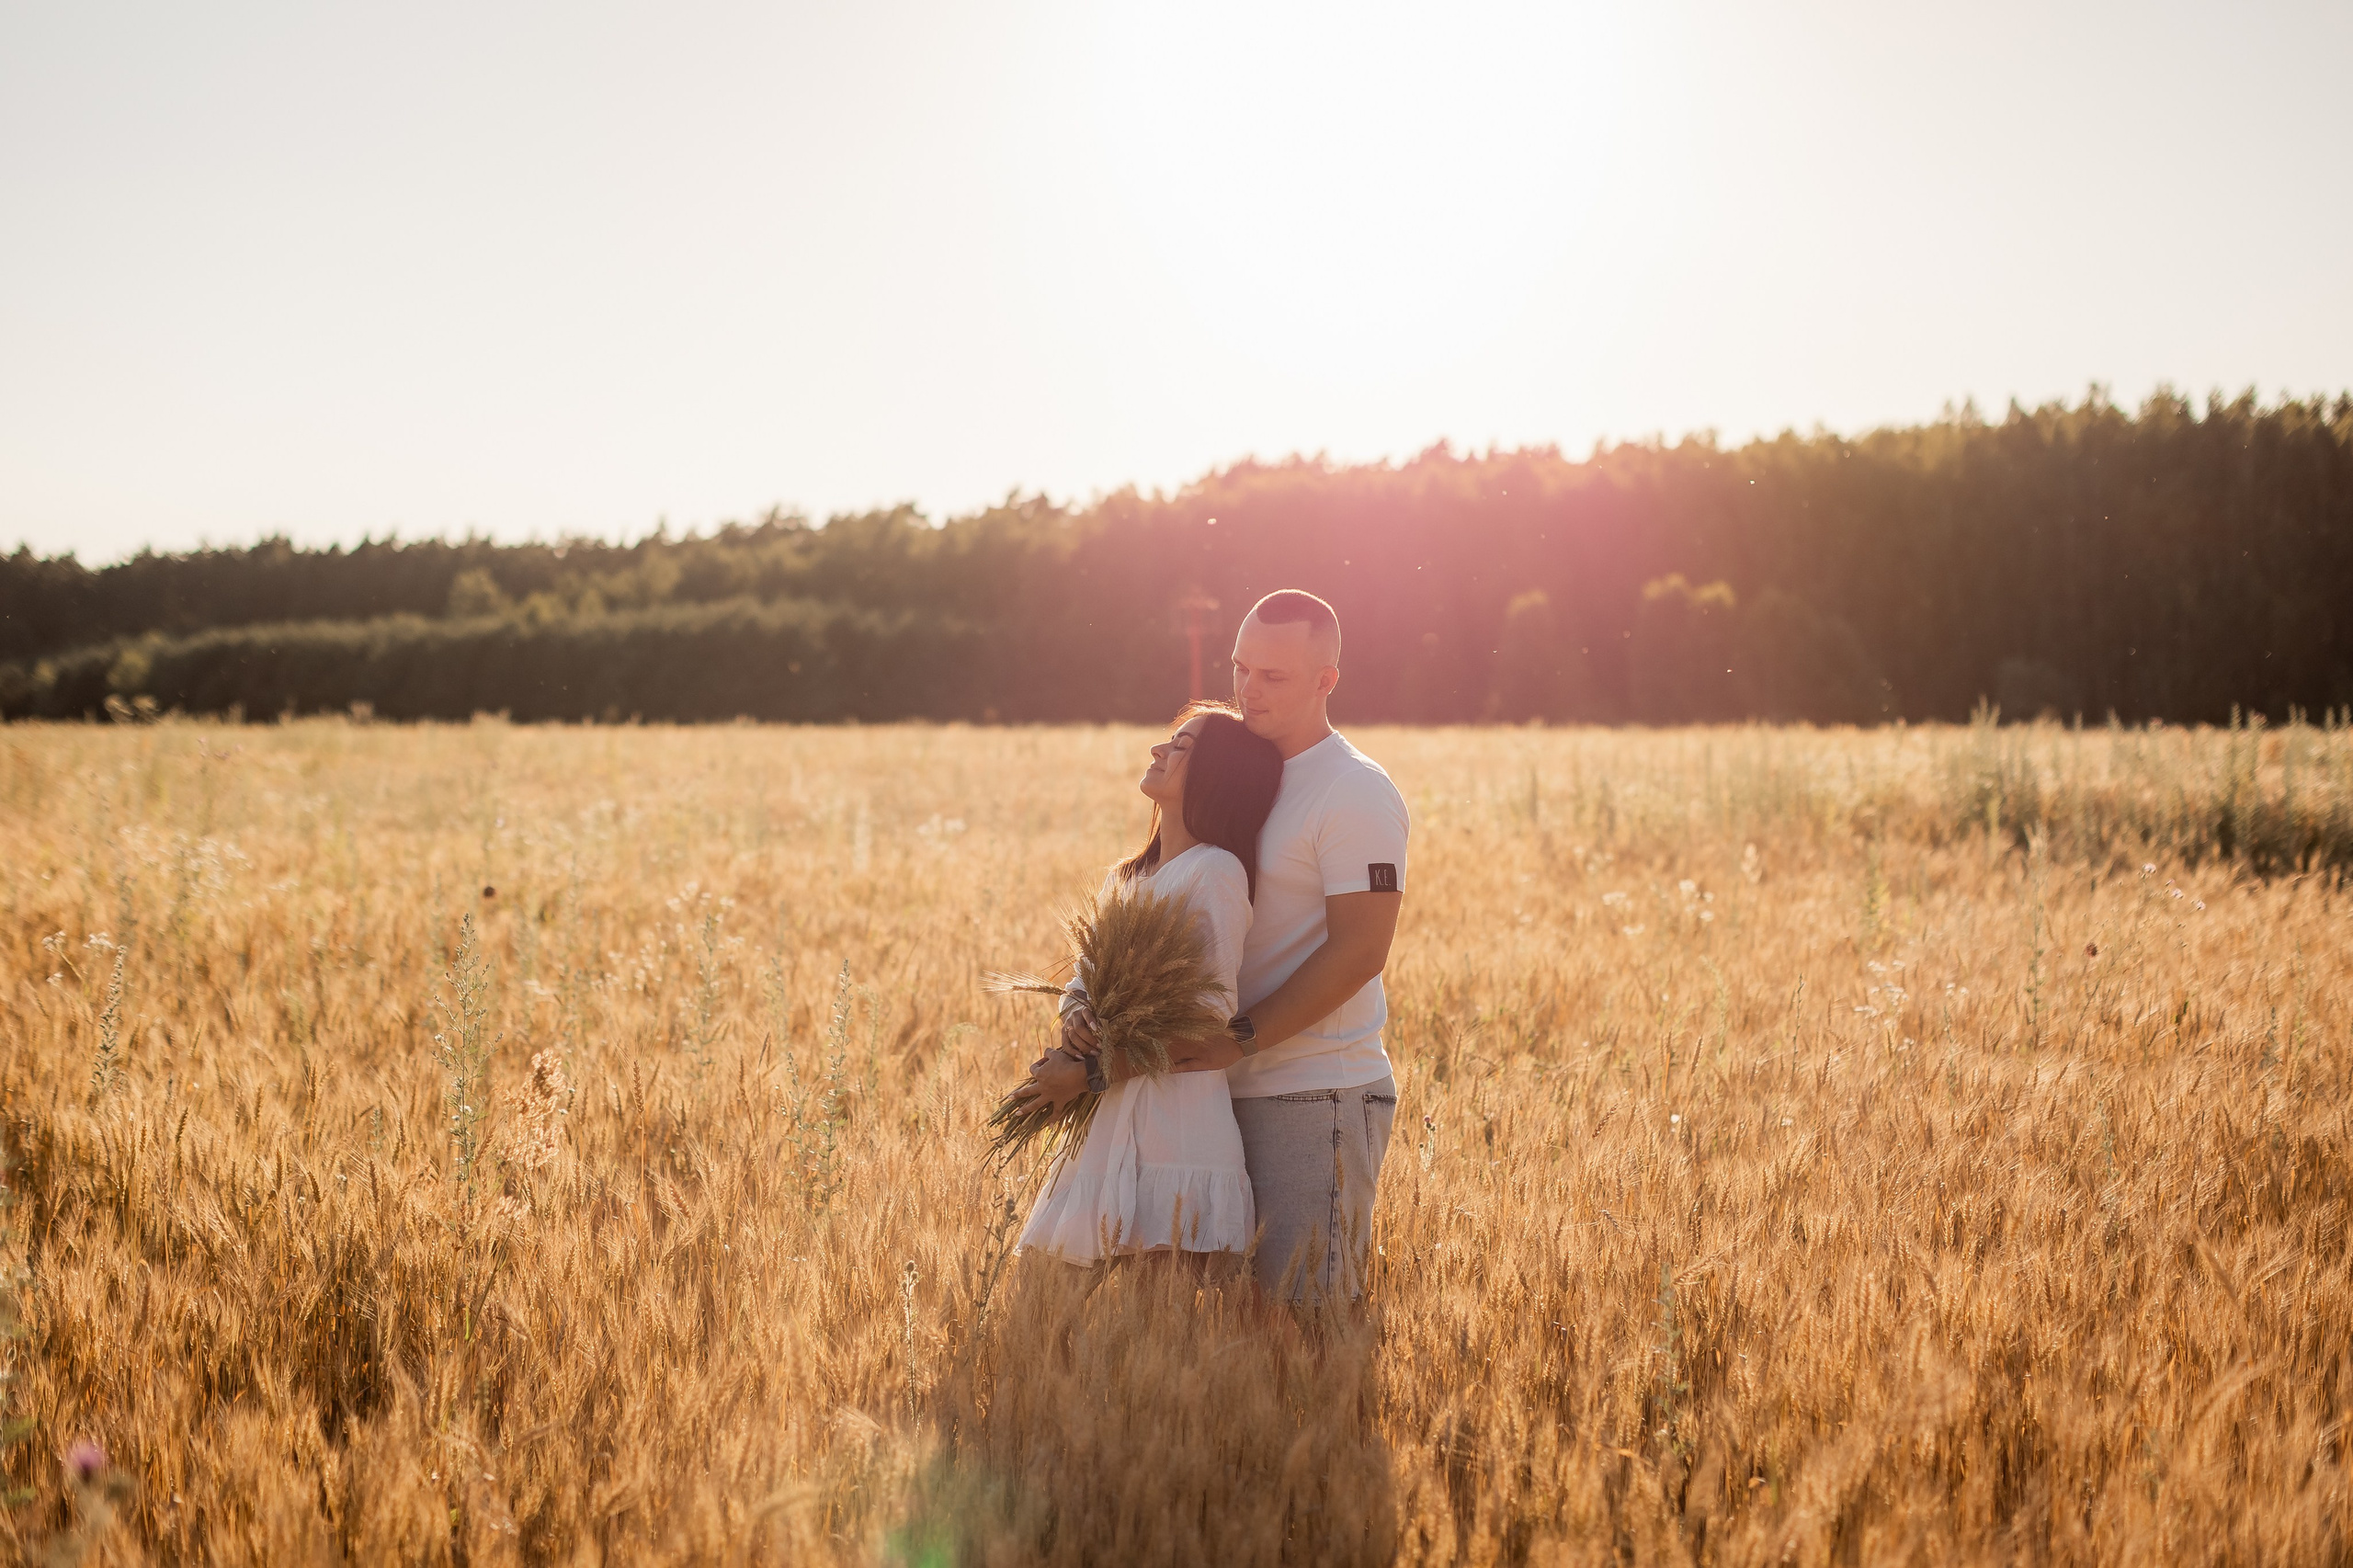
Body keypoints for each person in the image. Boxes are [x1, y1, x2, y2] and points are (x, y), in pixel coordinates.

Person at [1026, 590, 1409, 1301]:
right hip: (1206, 1088)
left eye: (1274, 677)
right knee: (1238, 1329)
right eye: (1240, 668)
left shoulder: (1352, 790)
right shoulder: (1235, 768)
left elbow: (1361, 951)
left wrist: (1240, 1039)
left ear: (1327, 679)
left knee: (1309, 1312)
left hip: (1311, 1089)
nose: (1247, 690)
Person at [1014, 700, 1284, 1266]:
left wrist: (1089, 1071)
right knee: (1040, 1303)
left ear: (1218, 775)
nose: (1159, 750)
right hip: (1107, 1117)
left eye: (1181, 747)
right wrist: (1080, 1019)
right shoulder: (1127, 877)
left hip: (1174, 1128)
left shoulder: (1215, 872)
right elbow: (1080, 984)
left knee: (1159, 1322)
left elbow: (1211, 1011)